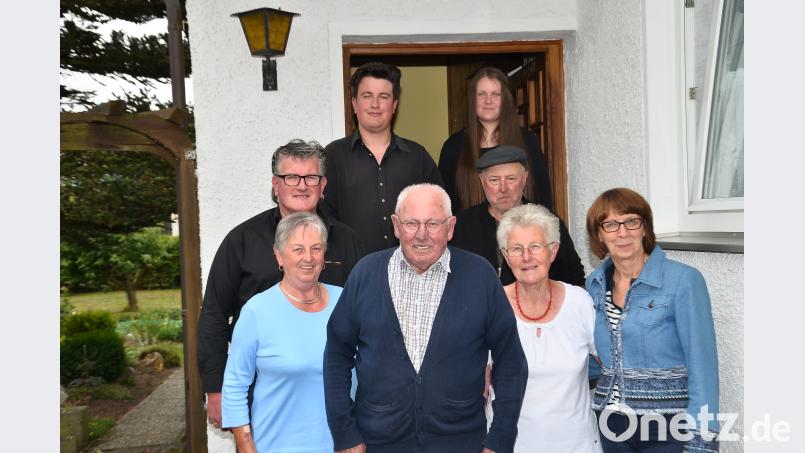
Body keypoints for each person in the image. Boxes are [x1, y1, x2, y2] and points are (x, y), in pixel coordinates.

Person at [324, 183, 527, 453]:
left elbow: (511, 362)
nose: (422, 234)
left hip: (461, 444)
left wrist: (500, 440)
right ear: (396, 226)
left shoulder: (481, 276)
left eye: (432, 223)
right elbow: (336, 355)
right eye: (411, 223)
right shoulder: (365, 274)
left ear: (450, 227)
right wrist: (345, 434)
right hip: (379, 444)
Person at [197, 139, 365, 436]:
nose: (302, 186)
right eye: (291, 177)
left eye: (310, 177)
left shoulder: (348, 241)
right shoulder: (242, 240)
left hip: (336, 392)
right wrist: (215, 388)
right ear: (276, 185)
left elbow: (366, 314)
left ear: (323, 185)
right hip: (263, 392)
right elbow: (214, 314)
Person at [585, 188, 719, 452]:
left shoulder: (683, 280)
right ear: (599, 235)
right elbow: (592, 357)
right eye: (610, 224)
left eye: (631, 221)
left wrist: (702, 441)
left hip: (668, 427)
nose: (622, 233)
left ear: (645, 228)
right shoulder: (594, 284)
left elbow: (703, 365)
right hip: (610, 425)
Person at [222, 212, 342, 452]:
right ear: (279, 255)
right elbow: (235, 383)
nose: (308, 258)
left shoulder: (345, 301)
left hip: (342, 445)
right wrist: (244, 443)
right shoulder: (257, 311)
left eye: (316, 248)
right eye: (298, 249)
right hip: (277, 444)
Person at [489, 203, 601, 452]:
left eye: (535, 246)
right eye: (516, 249)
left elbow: (612, 364)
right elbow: (477, 383)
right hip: (510, 446)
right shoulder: (491, 305)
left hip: (577, 445)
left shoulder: (579, 302)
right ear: (505, 255)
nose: (526, 257)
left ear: (553, 250)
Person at [323, 61, 444, 254]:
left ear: (394, 105)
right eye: (367, 96)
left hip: (411, 266)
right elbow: (324, 217)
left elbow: (439, 212)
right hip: (352, 267)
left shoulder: (417, 157)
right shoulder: (333, 156)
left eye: (383, 97)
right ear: (354, 104)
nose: (375, 104)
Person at [450, 145, 585, 287]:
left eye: (511, 179)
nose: (503, 188)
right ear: (482, 181)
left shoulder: (546, 222)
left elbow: (575, 279)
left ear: (524, 178)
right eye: (494, 180)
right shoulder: (462, 225)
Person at [438, 66, 553, 212]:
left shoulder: (528, 141)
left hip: (520, 225)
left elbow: (544, 199)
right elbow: (443, 205)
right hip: (469, 227)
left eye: (495, 94)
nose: (488, 101)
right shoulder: (454, 146)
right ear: (472, 100)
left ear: (505, 100)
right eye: (481, 94)